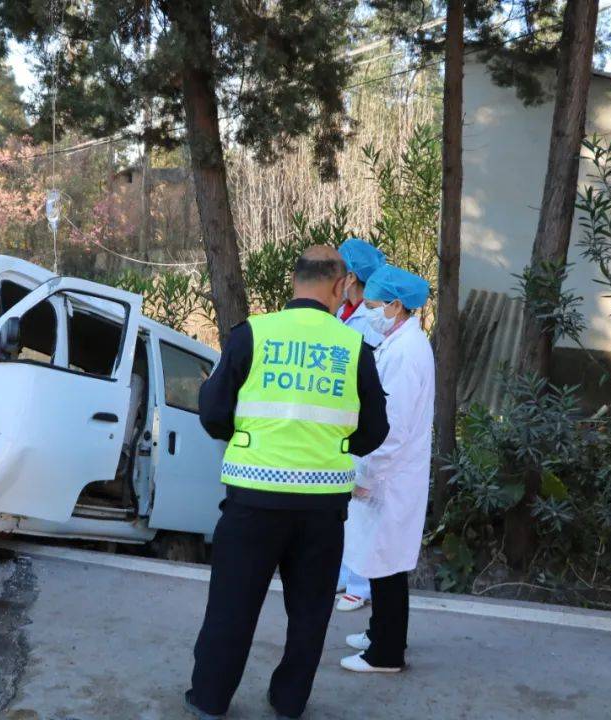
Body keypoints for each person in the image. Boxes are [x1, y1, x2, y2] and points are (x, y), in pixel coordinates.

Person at [184, 245, 389, 720]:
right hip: (321, 509)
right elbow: (375, 429)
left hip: (253, 501)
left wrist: (251, 439)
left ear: (294, 281)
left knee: (232, 607)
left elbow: (213, 412)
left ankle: (210, 700)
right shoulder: (354, 347)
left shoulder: (253, 334)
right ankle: (289, 701)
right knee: (310, 615)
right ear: (339, 287)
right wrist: (333, 447)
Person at [338, 264, 434, 674]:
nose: (370, 310)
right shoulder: (400, 343)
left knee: (388, 564)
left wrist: (366, 476)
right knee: (382, 560)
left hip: (391, 477)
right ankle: (381, 634)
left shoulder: (406, 353)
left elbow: (392, 431)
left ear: (396, 305)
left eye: (375, 305)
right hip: (392, 475)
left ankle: (386, 653)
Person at [335, 237, 386, 612]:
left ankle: (360, 583)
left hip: (361, 420)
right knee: (344, 505)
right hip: (341, 422)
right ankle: (343, 576)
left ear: (351, 276)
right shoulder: (344, 313)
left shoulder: (369, 320)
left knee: (363, 504)